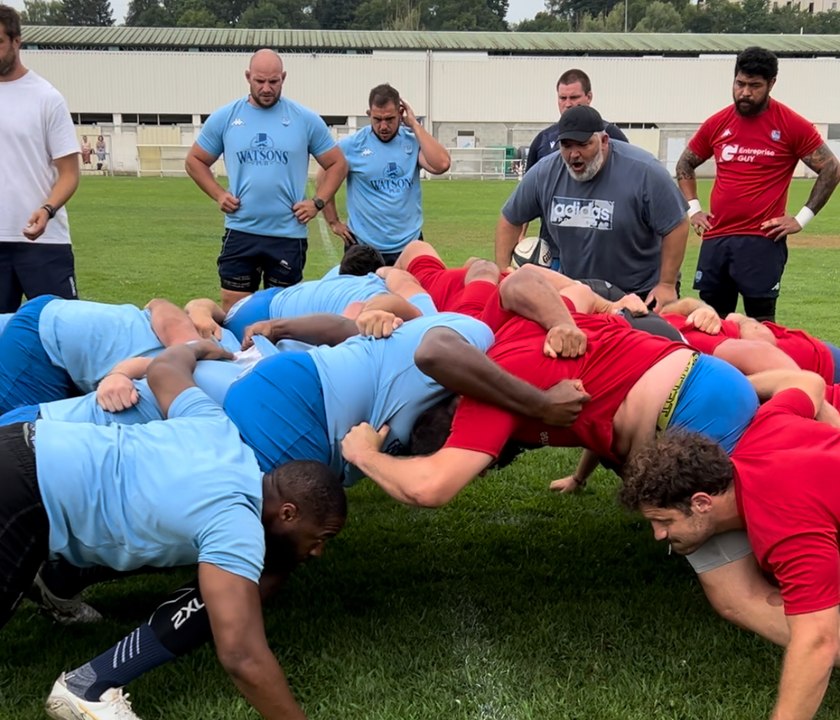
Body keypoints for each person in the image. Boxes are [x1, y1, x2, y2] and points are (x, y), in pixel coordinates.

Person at [619, 373, 840, 720]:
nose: (658, 535)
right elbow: (804, 382)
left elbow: (818, 640)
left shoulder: (783, 523)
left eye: (664, 521)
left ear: (702, 502)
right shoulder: (763, 430)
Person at [675, 46, 840, 322]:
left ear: (771, 84)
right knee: (711, 323)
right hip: (717, 238)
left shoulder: (790, 124)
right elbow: (684, 164)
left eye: (754, 86)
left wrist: (801, 219)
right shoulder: (718, 123)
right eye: (740, 84)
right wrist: (694, 210)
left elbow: (831, 168)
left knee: (762, 326)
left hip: (761, 240)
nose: (745, 93)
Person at [185, 49, 348, 312]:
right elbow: (194, 160)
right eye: (260, 81)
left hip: (287, 234)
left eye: (274, 81)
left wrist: (317, 203)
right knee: (234, 309)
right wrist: (218, 194)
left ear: (284, 78)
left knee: (281, 312)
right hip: (242, 230)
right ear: (248, 77)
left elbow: (338, 163)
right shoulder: (227, 117)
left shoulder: (303, 119)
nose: (267, 88)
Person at [495, 105, 689, 312]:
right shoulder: (545, 173)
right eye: (566, 146)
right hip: (580, 295)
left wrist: (666, 284)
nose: (573, 154)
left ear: (604, 141)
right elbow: (510, 219)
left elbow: (676, 224)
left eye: (583, 145)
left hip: (638, 295)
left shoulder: (645, 171)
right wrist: (503, 274)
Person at [0, 4, 80, 313]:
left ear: (16, 41)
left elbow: (69, 173)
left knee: (59, 333)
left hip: (44, 244)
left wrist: (47, 210)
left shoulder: (46, 98)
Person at [319, 83, 451, 265]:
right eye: (377, 119)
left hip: (409, 246)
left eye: (389, 119)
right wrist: (333, 221)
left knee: (415, 285)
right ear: (369, 114)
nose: (383, 126)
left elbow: (442, 164)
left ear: (401, 113)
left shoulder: (412, 143)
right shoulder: (352, 146)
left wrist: (414, 125)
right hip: (364, 247)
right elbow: (323, 176)